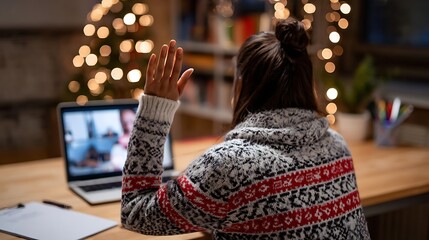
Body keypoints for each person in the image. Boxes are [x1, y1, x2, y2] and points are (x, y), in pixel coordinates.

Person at [121, 19, 370, 239]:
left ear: (240, 84)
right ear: (305, 84)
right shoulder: (338, 145)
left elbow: (135, 211)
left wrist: (155, 111)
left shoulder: (229, 166)